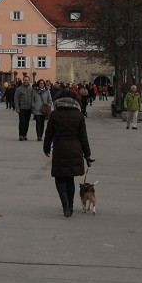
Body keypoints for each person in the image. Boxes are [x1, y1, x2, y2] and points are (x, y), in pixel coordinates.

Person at [43, 88, 92, 218]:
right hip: (75, 148)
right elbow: (83, 137)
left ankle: (65, 205)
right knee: (70, 179)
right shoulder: (79, 115)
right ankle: (70, 205)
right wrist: (87, 154)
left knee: (59, 178)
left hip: (59, 148)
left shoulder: (54, 114)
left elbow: (49, 134)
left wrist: (46, 148)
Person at [14, 76, 34, 140]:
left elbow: (33, 98)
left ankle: (25, 134)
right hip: (22, 108)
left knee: (27, 122)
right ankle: (21, 135)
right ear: (23, 81)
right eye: (25, 80)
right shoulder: (19, 89)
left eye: (27, 80)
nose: (26, 81)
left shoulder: (31, 89)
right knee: (22, 122)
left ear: (29, 81)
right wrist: (17, 107)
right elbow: (16, 98)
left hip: (29, 108)